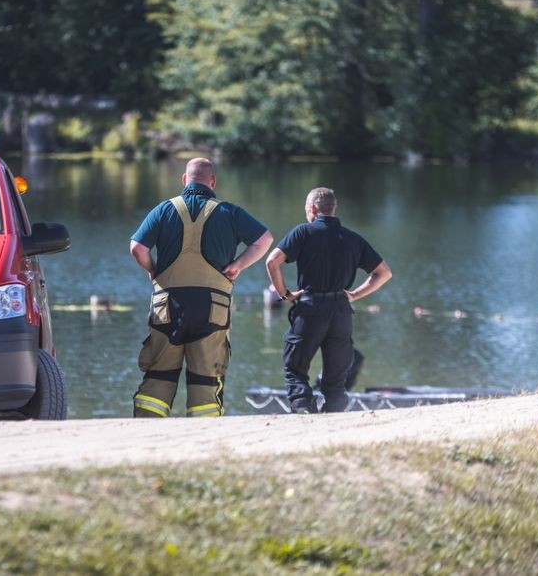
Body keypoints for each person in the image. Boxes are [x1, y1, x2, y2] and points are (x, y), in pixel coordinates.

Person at [129, 158, 273, 418]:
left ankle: (146, 432)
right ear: (213, 182)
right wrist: (238, 265)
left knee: (159, 375)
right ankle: (203, 437)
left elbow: (137, 248)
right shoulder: (229, 212)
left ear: (184, 180)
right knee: (206, 378)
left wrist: (152, 269)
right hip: (212, 305)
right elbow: (265, 240)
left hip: (168, 303)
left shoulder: (164, 209)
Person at [265, 187, 391, 414]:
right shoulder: (353, 238)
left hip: (311, 308)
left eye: (306, 209)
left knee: (295, 370)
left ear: (312, 208)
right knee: (336, 379)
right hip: (341, 312)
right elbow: (384, 273)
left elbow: (272, 262)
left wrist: (285, 294)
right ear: (333, 209)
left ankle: (304, 412)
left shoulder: (303, 232)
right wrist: (354, 295)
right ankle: (333, 419)